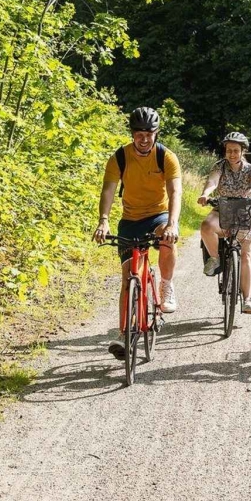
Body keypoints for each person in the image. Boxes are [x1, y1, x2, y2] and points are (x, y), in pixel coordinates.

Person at [94, 106, 183, 360]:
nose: (144, 139)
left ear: (156, 133)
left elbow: (175, 191)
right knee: (127, 278)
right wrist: (103, 221)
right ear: (132, 134)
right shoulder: (119, 157)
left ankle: (166, 286)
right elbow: (108, 190)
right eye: (138, 134)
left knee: (167, 240)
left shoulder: (166, 157)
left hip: (159, 215)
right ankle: (125, 333)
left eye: (149, 133)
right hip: (130, 220)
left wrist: (173, 224)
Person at [198, 132, 251, 316]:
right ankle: (215, 258)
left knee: (246, 254)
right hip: (221, 210)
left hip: (244, 213)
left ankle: (247, 300)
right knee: (206, 226)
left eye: (236, 151)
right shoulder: (219, 166)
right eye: (229, 150)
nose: (232, 154)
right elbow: (212, 182)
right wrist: (206, 194)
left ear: (243, 151)